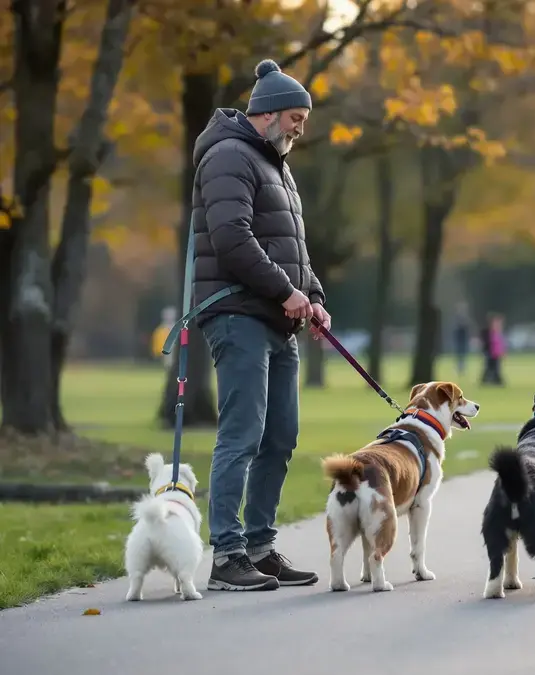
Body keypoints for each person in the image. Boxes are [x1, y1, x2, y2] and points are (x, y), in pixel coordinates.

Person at [191, 58, 328, 590]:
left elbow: (292, 247)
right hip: (236, 312)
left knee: (281, 435)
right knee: (243, 433)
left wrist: (312, 296)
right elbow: (232, 237)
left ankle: (260, 546)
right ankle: (227, 556)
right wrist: (286, 291)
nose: (300, 127)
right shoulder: (228, 156)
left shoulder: (277, 164)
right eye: (296, 117)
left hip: (277, 317)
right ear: (268, 113)